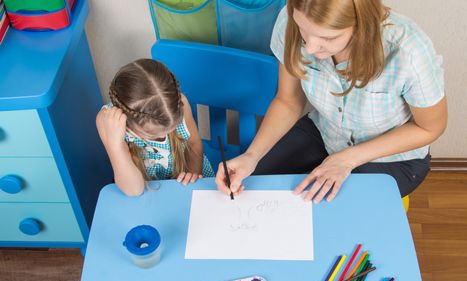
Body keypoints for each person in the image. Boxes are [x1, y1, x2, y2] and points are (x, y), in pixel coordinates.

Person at [216, 0, 447, 203]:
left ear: (361, 23)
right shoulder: (289, 21)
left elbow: (430, 127)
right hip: (325, 132)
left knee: (332, 215)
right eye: (303, 30)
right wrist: (252, 156)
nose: (310, 48)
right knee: (256, 187)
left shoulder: (408, 50)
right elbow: (288, 101)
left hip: (392, 158)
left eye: (328, 37)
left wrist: (346, 159)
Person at [96, 59, 214, 196]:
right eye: (153, 135)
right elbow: (134, 190)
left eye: (172, 128)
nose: (163, 137)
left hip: (187, 174)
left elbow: (194, 144)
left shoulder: (178, 103)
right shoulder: (108, 123)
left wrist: (192, 176)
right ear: (128, 122)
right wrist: (115, 146)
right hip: (147, 189)